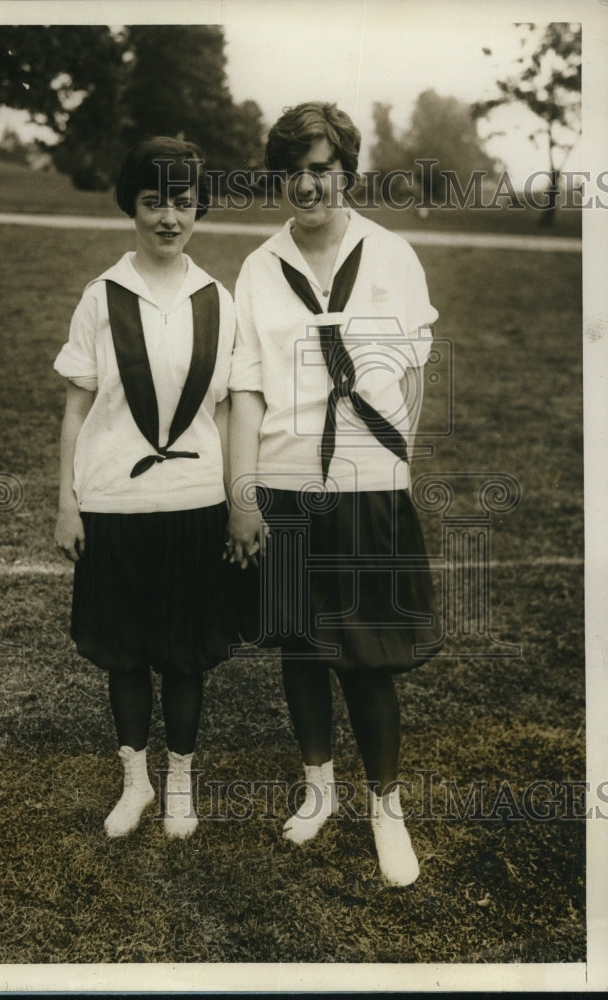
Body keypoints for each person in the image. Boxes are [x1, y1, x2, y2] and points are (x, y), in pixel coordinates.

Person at [227, 103, 442, 885]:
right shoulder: (259, 268)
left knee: (366, 655)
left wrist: (391, 461)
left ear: (346, 170)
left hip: (365, 484)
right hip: (284, 483)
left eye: (321, 168)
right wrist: (242, 495)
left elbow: (412, 371)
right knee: (301, 645)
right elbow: (245, 390)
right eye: (292, 171)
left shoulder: (391, 255)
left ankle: (387, 808)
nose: (307, 184)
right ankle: (318, 788)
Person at [54, 137, 236, 840]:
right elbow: (76, 408)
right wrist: (67, 500)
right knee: (125, 652)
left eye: (183, 202)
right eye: (154, 201)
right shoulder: (101, 296)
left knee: (184, 655)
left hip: (194, 501)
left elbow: (225, 412)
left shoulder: (217, 300)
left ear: (199, 209)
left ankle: (181, 784)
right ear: (130, 205)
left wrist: (235, 503)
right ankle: (136, 783)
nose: (169, 217)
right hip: (113, 502)